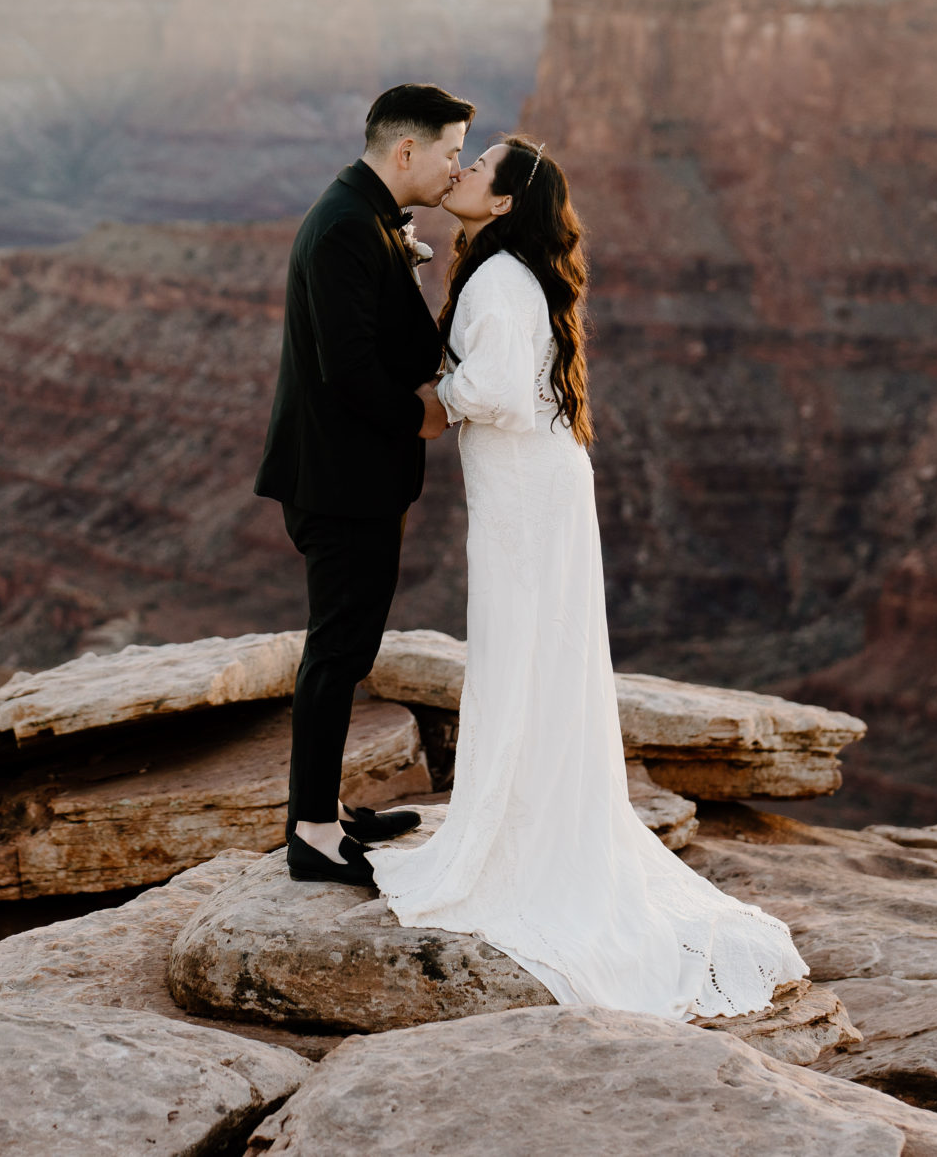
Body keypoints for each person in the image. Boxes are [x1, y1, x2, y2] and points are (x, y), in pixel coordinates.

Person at [365, 135, 807, 1018]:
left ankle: (523, 850)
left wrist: (395, 402)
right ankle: (535, 822)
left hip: (526, 497)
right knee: (541, 654)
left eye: (477, 166)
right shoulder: (510, 270)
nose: (460, 172)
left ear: (503, 203)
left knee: (524, 650)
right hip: (539, 484)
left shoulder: (496, 279)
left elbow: (488, 390)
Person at [256, 83, 471, 885]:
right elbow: (344, 369)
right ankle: (310, 833)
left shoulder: (365, 213)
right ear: (406, 151)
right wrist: (421, 418)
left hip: (350, 477)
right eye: (450, 153)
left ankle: (325, 804)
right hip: (339, 481)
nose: (455, 168)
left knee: (345, 649)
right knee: (335, 651)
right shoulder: (348, 226)